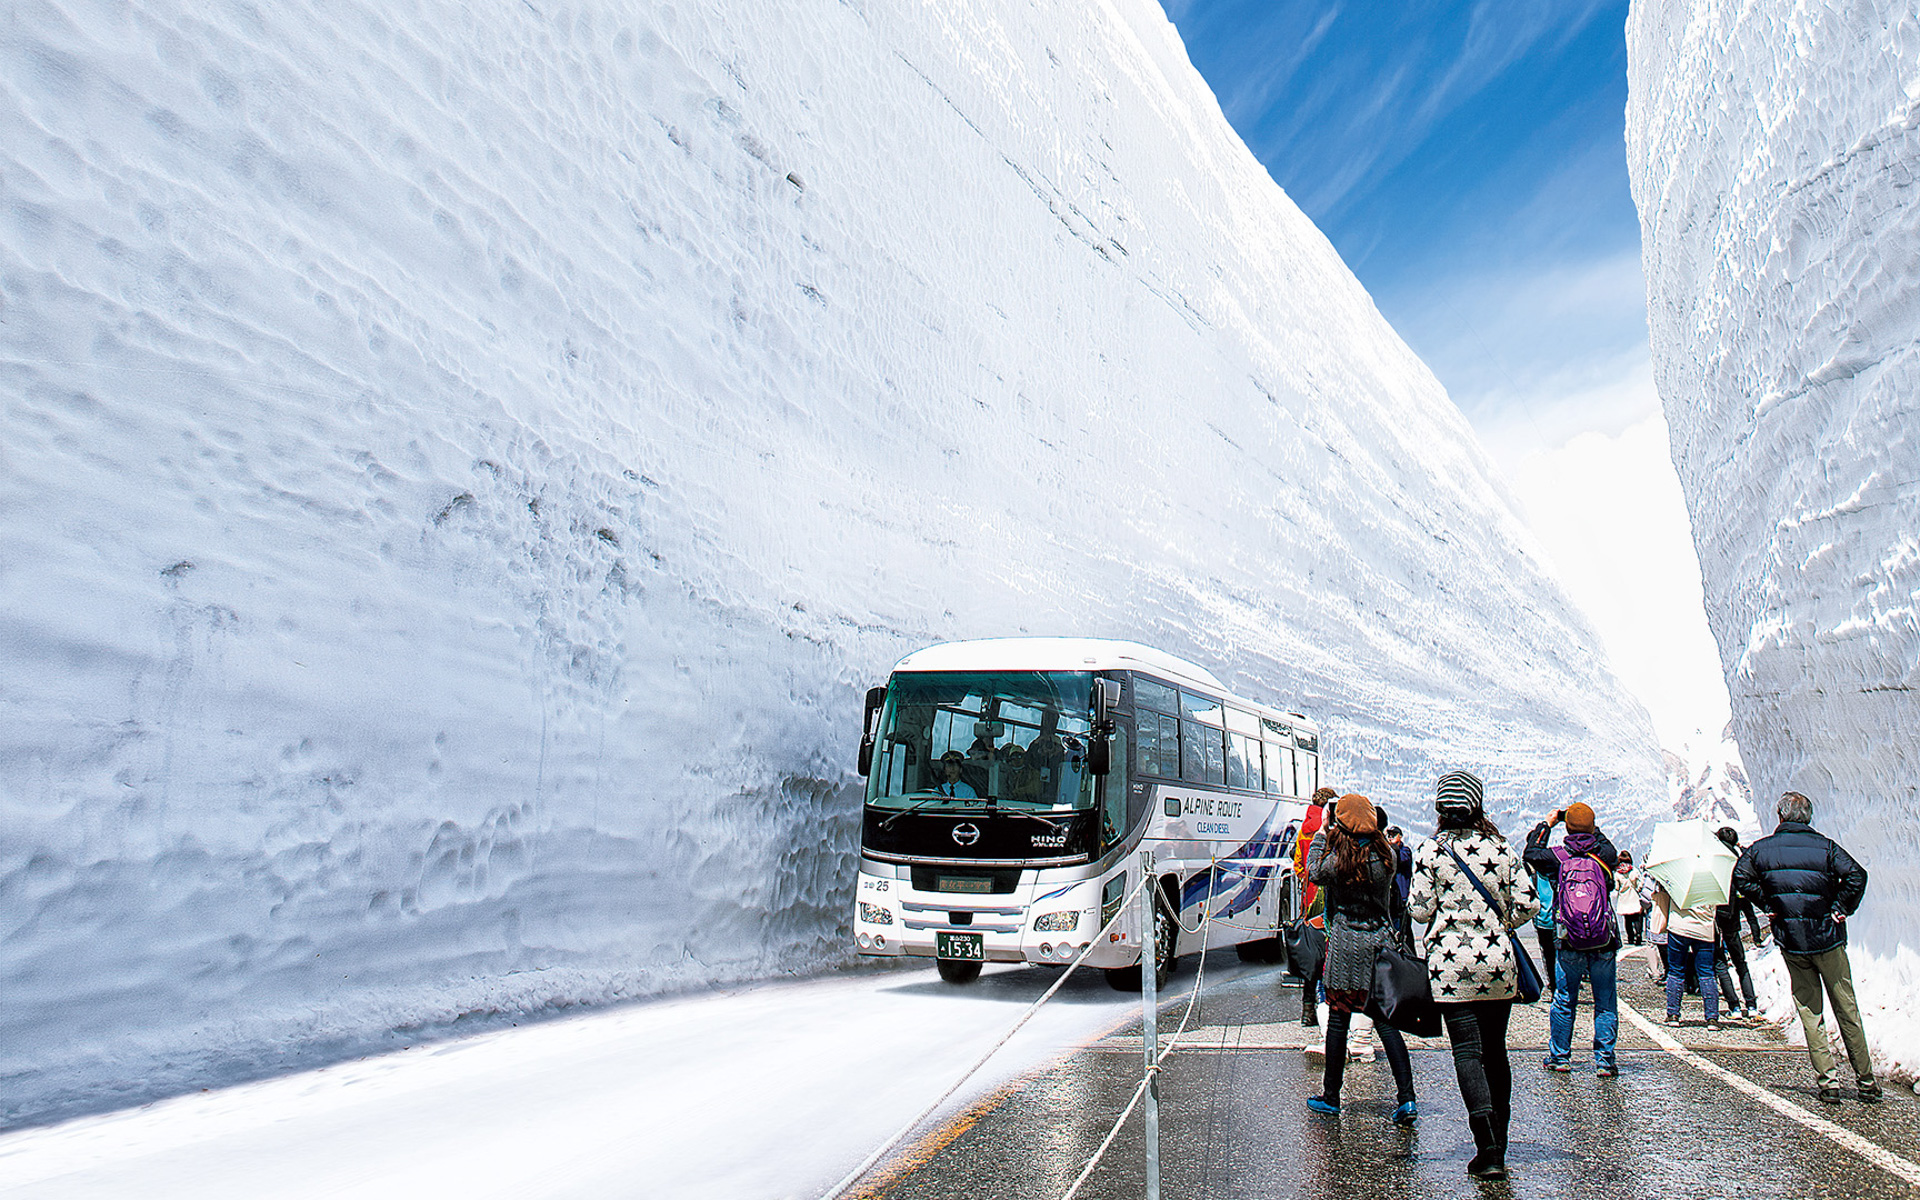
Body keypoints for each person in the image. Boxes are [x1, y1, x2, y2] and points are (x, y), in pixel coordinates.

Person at [1409, 771, 1538, 1180]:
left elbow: (1419, 909)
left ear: (1441, 809)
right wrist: (1499, 926)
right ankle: (1500, 1142)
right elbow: (1529, 902)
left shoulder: (1431, 851)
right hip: (1498, 963)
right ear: (1477, 805)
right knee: (1496, 1051)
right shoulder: (1501, 848)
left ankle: (1486, 1148)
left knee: (1467, 1053)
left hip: (1451, 967)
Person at [1732, 791, 1878, 1103]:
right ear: (1808, 817)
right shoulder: (1825, 847)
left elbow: (1741, 878)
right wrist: (1840, 907)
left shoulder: (1761, 850)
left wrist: (1769, 902)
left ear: (1780, 816)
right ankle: (1866, 1081)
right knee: (1846, 1008)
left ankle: (1828, 1082)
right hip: (1828, 937)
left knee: (1811, 1011)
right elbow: (1856, 876)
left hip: (1792, 940)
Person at [1305, 794, 1418, 1125]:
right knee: (1385, 1023)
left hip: (1344, 947)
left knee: (1339, 1020)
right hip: (1378, 945)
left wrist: (1323, 834)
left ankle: (1331, 1096)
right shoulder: (1387, 858)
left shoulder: (1338, 861)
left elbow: (1313, 871)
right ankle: (1407, 1099)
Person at [1524, 803, 1621, 1075]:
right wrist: (1590, 826)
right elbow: (1603, 843)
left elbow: (1531, 852)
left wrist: (1547, 824)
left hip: (1568, 938)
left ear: (1566, 827)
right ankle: (1604, 1060)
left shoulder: (1557, 856)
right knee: (1605, 1000)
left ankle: (1560, 1057)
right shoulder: (1605, 854)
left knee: (1565, 998)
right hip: (1604, 938)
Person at [1292, 788, 1336, 1027]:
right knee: (1330, 953)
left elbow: (1298, 862)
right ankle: (1329, 1009)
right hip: (1329, 896)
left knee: (1313, 953)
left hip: (1310, 898)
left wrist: (1306, 881)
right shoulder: (1332, 829)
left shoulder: (1304, 829)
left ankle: (1307, 1009)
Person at [1655, 881, 1721, 1028]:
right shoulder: (1712, 876)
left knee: (1676, 971)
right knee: (1706, 972)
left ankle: (1673, 1014)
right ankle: (1712, 1017)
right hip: (1704, 928)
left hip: (1679, 925)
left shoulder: (1677, 874)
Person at [1712, 828, 1759, 1019]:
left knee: (1720, 962)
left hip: (1716, 916)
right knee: (1740, 962)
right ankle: (1751, 1003)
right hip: (1733, 917)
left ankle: (1734, 1006)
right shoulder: (1741, 861)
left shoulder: (1714, 859)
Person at [1615, 852, 1646, 945]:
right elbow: (1640, 884)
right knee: (1637, 918)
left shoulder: (1617, 873)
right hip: (1634, 897)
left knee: (1627, 919)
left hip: (1624, 899)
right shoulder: (1634, 871)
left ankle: (1630, 937)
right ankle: (1638, 934)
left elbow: (1616, 887)